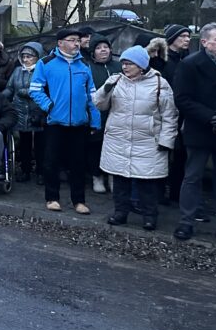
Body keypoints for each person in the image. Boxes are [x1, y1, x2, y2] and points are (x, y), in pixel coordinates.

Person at [92, 45, 178, 231]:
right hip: (118, 140)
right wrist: (105, 90)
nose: (125, 67)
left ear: (141, 65)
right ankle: (120, 213)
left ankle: (149, 216)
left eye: (129, 63)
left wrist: (166, 141)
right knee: (121, 181)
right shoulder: (116, 81)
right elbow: (99, 104)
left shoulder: (159, 84)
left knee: (146, 184)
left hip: (148, 142)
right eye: (123, 63)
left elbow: (170, 116)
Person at [29, 28, 100, 214]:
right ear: (60, 43)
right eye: (72, 40)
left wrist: (95, 120)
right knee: (51, 161)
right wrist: (50, 106)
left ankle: (79, 201)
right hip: (55, 122)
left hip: (79, 123)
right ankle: (52, 198)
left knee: (78, 163)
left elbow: (92, 94)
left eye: (78, 40)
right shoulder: (46, 63)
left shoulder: (84, 65)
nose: (76, 43)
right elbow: (35, 89)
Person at [171, 22, 216, 242]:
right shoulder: (190, 64)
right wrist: (209, 116)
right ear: (204, 42)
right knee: (192, 176)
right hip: (199, 128)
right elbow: (182, 98)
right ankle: (186, 222)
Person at [3, 43, 47, 183]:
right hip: (20, 112)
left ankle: (41, 172)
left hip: (38, 111)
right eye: (24, 56)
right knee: (24, 143)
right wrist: (0, 97)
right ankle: (25, 170)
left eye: (29, 56)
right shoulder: (17, 71)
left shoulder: (44, 71)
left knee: (41, 144)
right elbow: (10, 88)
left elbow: (46, 90)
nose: (26, 59)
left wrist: (27, 92)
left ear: (37, 57)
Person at [162, 24, 192, 203]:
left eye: (188, 36)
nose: (187, 39)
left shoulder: (187, 58)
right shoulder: (164, 61)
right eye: (183, 36)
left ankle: (176, 192)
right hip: (168, 111)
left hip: (185, 112)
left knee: (182, 155)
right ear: (172, 39)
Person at [87, 35, 120, 194]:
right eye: (99, 48)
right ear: (93, 52)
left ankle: (113, 177)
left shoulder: (119, 66)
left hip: (117, 113)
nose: (103, 50)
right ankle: (97, 176)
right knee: (95, 146)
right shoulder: (89, 68)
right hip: (96, 113)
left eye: (105, 47)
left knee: (115, 148)